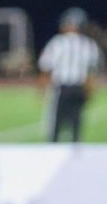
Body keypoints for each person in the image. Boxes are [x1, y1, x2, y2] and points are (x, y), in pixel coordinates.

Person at [38, 8, 101, 143]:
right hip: (79, 89)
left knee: (55, 128)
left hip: (61, 88)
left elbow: (45, 67)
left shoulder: (57, 42)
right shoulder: (89, 44)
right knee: (76, 126)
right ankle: (75, 156)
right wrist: (89, 92)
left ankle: (53, 154)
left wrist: (42, 91)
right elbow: (91, 75)